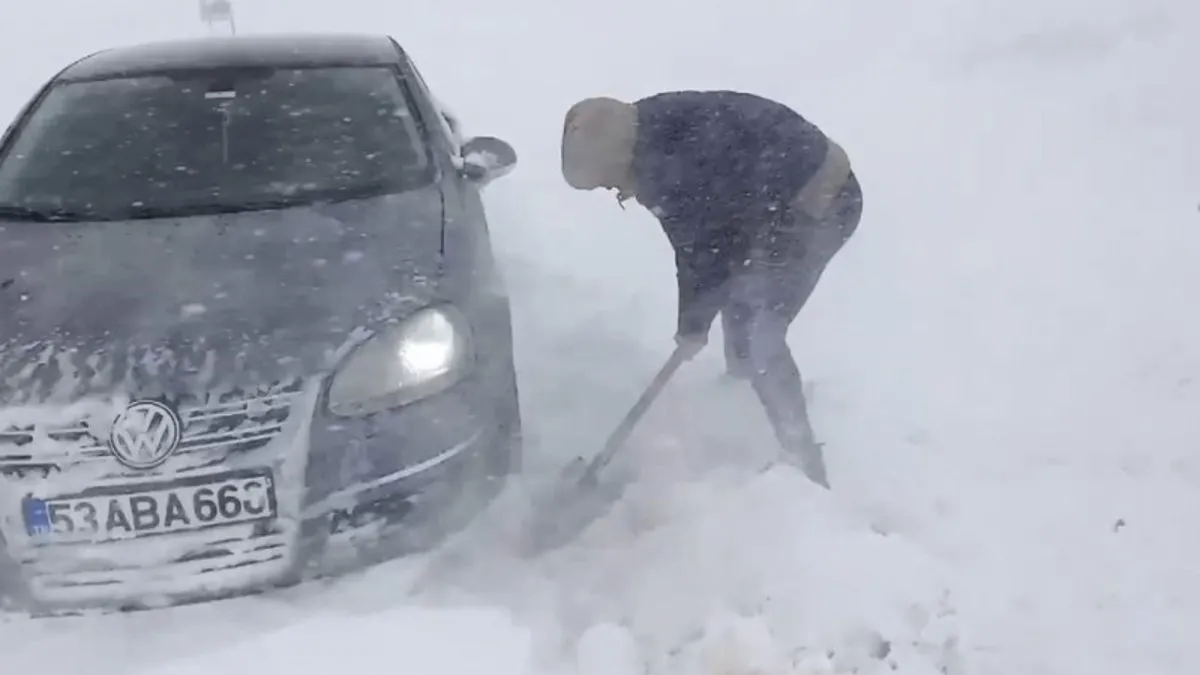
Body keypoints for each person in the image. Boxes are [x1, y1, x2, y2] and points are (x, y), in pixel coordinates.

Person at [559, 90, 864, 488]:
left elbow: (702, 250)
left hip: (821, 201)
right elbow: (704, 247)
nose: (613, 191)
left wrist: (693, 326)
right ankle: (742, 396)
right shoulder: (644, 132)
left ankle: (802, 457)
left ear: (619, 159)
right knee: (740, 302)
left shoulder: (671, 166)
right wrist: (696, 321)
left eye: (606, 181)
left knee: (760, 331)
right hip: (769, 206)